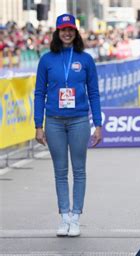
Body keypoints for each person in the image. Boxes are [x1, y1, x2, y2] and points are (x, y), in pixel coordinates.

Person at [34, 14, 102, 237]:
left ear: (76, 32)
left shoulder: (85, 59)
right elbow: (39, 93)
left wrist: (98, 124)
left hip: (79, 120)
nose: (67, 33)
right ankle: (64, 216)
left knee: (79, 170)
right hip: (53, 121)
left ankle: (76, 217)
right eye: (63, 30)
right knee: (60, 171)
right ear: (57, 32)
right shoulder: (46, 60)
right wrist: (38, 124)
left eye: (70, 29)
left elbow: (93, 92)